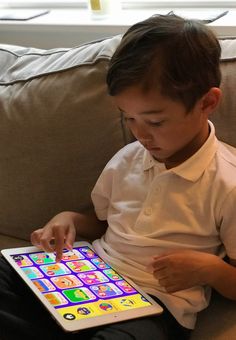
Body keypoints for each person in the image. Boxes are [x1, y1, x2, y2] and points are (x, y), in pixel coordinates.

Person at [1, 13, 236, 340]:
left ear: (207, 103)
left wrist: (212, 270)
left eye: (155, 122)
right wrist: (67, 218)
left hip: (155, 304)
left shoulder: (228, 182)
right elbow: (103, 222)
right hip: (92, 278)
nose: (141, 134)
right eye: (130, 119)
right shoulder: (128, 159)